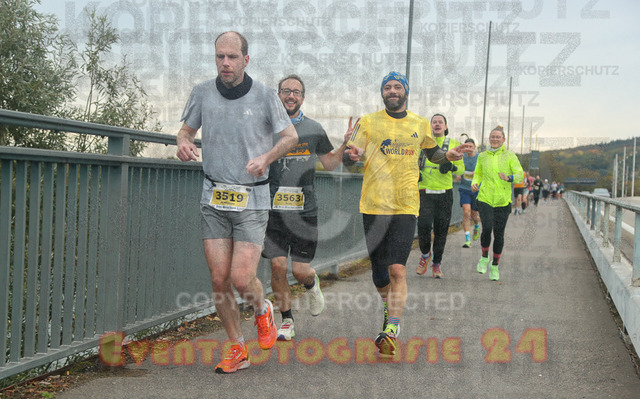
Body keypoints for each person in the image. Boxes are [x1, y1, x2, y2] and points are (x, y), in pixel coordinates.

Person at [176, 31, 298, 374]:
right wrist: (183, 142)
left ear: (246, 59)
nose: (225, 63)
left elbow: (290, 137)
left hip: (252, 196)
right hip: (214, 196)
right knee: (219, 279)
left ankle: (263, 309)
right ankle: (237, 348)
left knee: (242, 279)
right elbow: (185, 131)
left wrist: (266, 158)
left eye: (232, 57)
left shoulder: (265, 96)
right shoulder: (202, 92)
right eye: (220, 57)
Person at [343, 71, 472, 356]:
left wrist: (448, 156)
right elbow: (350, 156)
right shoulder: (368, 121)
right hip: (373, 205)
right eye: (387, 87)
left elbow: (432, 153)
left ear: (406, 92)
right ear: (382, 93)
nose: (392, 91)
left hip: (406, 205)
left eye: (397, 87)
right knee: (380, 275)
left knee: (397, 269)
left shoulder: (419, 122)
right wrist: (349, 155)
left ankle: (392, 328)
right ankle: (388, 308)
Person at [262, 74, 351, 341]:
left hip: (304, 211)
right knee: (277, 266)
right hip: (273, 210)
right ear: (278, 95)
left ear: (303, 97)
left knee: (300, 270)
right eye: (286, 91)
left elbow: (331, 164)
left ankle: (311, 284)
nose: (291, 95)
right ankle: (287, 320)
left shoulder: (313, 128)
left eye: (296, 92)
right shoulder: (266, 128)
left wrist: (345, 144)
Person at [471, 126, 524, 281]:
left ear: (503, 140)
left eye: (498, 137)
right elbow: (478, 173)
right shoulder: (482, 156)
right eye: (492, 136)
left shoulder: (510, 155)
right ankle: (484, 258)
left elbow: (520, 174)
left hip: (502, 201)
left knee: (499, 234)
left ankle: (495, 266)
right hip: (485, 198)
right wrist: (474, 183)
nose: (495, 139)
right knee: (487, 228)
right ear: (489, 138)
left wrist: (509, 177)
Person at [415, 114, 465, 278]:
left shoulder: (454, 144)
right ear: (430, 126)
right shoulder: (422, 143)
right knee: (423, 226)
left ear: (445, 126)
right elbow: (411, 163)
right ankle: (425, 255)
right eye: (434, 122)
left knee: (441, 230)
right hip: (424, 191)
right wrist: (416, 173)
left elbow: (461, 169)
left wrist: (451, 167)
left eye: (440, 122)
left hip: (444, 193)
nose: (437, 124)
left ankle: (437, 264)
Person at [457, 137, 481, 248]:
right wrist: (458, 174)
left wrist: (479, 174)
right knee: (466, 212)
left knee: (474, 215)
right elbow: (457, 168)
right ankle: (467, 239)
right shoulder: (461, 158)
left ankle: (476, 225)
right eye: (466, 147)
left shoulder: (479, 158)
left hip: (476, 189)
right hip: (464, 188)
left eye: (471, 147)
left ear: (474, 147)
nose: (469, 149)